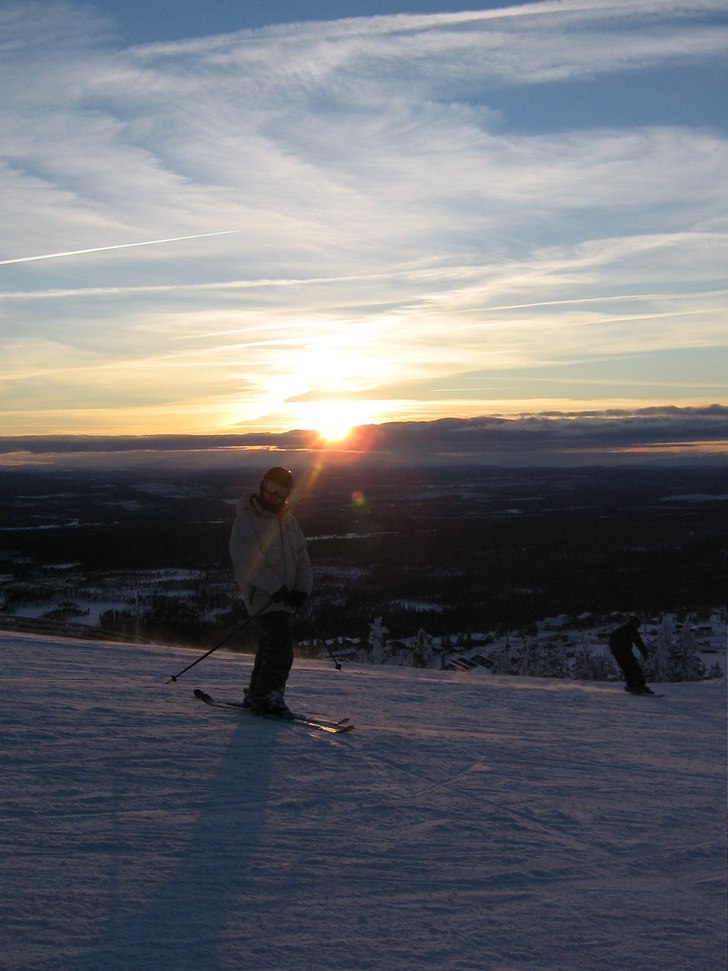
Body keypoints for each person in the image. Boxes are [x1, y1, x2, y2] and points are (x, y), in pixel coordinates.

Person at [228, 466, 313, 718]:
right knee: (280, 648)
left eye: (281, 492)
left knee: (269, 645)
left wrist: (301, 590)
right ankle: (267, 696)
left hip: (285, 597)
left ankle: (258, 692)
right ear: (262, 485)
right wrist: (276, 587)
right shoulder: (247, 519)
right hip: (264, 597)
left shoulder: (289, 520)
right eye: (271, 489)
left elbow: (302, 557)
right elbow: (247, 561)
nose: (274, 496)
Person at [608, 615, 654, 695]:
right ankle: (641, 686)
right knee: (635, 667)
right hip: (622, 649)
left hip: (616, 650)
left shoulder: (624, 628)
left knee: (628, 668)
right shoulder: (631, 628)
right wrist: (645, 653)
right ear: (636, 623)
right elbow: (638, 641)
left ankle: (632, 686)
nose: (637, 628)